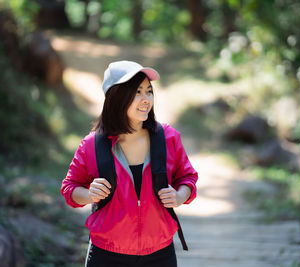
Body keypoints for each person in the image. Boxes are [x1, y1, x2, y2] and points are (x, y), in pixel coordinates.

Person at [61, 60, 198, 267]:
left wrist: (179, 196)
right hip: (107, 254)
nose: (146, 100)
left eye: (149, 91)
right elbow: (69, 189)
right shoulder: (92, 145)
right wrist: (89, 194)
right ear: (116, 97)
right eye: (137, 92)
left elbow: (187, 177)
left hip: (159, 253)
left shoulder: (167, 137)